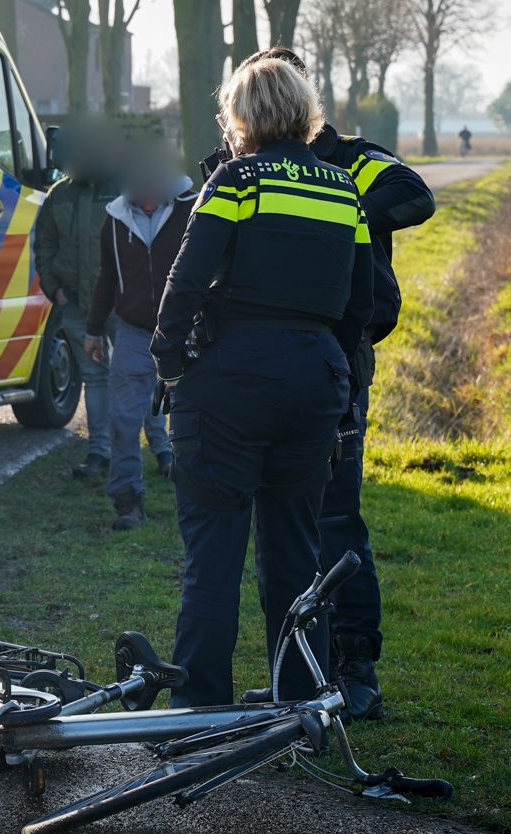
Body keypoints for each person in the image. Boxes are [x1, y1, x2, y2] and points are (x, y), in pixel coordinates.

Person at [155, 56, 373, 708]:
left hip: (232, 379)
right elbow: (360, 306)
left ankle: (200, 714)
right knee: (298, 559)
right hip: (317, 380)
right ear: (306, 113)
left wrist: (169, 364)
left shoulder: (236, 181)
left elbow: (185, 281)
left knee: (214, 559)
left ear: (241, 117)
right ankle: (301, 707)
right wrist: (340, 385)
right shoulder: (344, 191)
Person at [227, 46, 437, 719]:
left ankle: (355, 671)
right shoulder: (240, 164)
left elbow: (416, 195)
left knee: (335, 517)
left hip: (341, 358)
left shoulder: (351, 158)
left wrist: (339, 216)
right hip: (268, 365)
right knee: (284, 525)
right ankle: (297, 673)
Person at [31, 116, 170, 480]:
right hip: (77, 304)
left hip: (125, 308)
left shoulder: (129, 188)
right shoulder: (59, 195)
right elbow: (44, 244)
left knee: (142, 377)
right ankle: (99, 453)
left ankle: (163, 450)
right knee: (95, 379)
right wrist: (54, 289)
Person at [83, 141, 195, 530]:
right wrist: (94, 330)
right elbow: (107, 276)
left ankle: (196, 499)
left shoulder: (193, 210)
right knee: (123, 420)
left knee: (192, 420)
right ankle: (128, 500)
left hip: (184, 332)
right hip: (132, 333)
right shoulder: (114, 219)